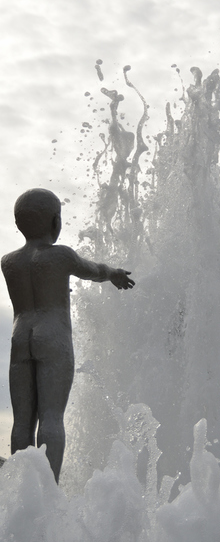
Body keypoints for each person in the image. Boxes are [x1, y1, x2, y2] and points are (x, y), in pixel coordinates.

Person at [1, 188, 135, 483]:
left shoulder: (7, 261)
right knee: (51, 416)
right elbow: (92, 270)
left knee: (22, 421)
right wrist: (112, 272)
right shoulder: (60, 255)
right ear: (55, 221)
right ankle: (48, 491)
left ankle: (20, 490)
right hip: (53, 336)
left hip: (20, 336)